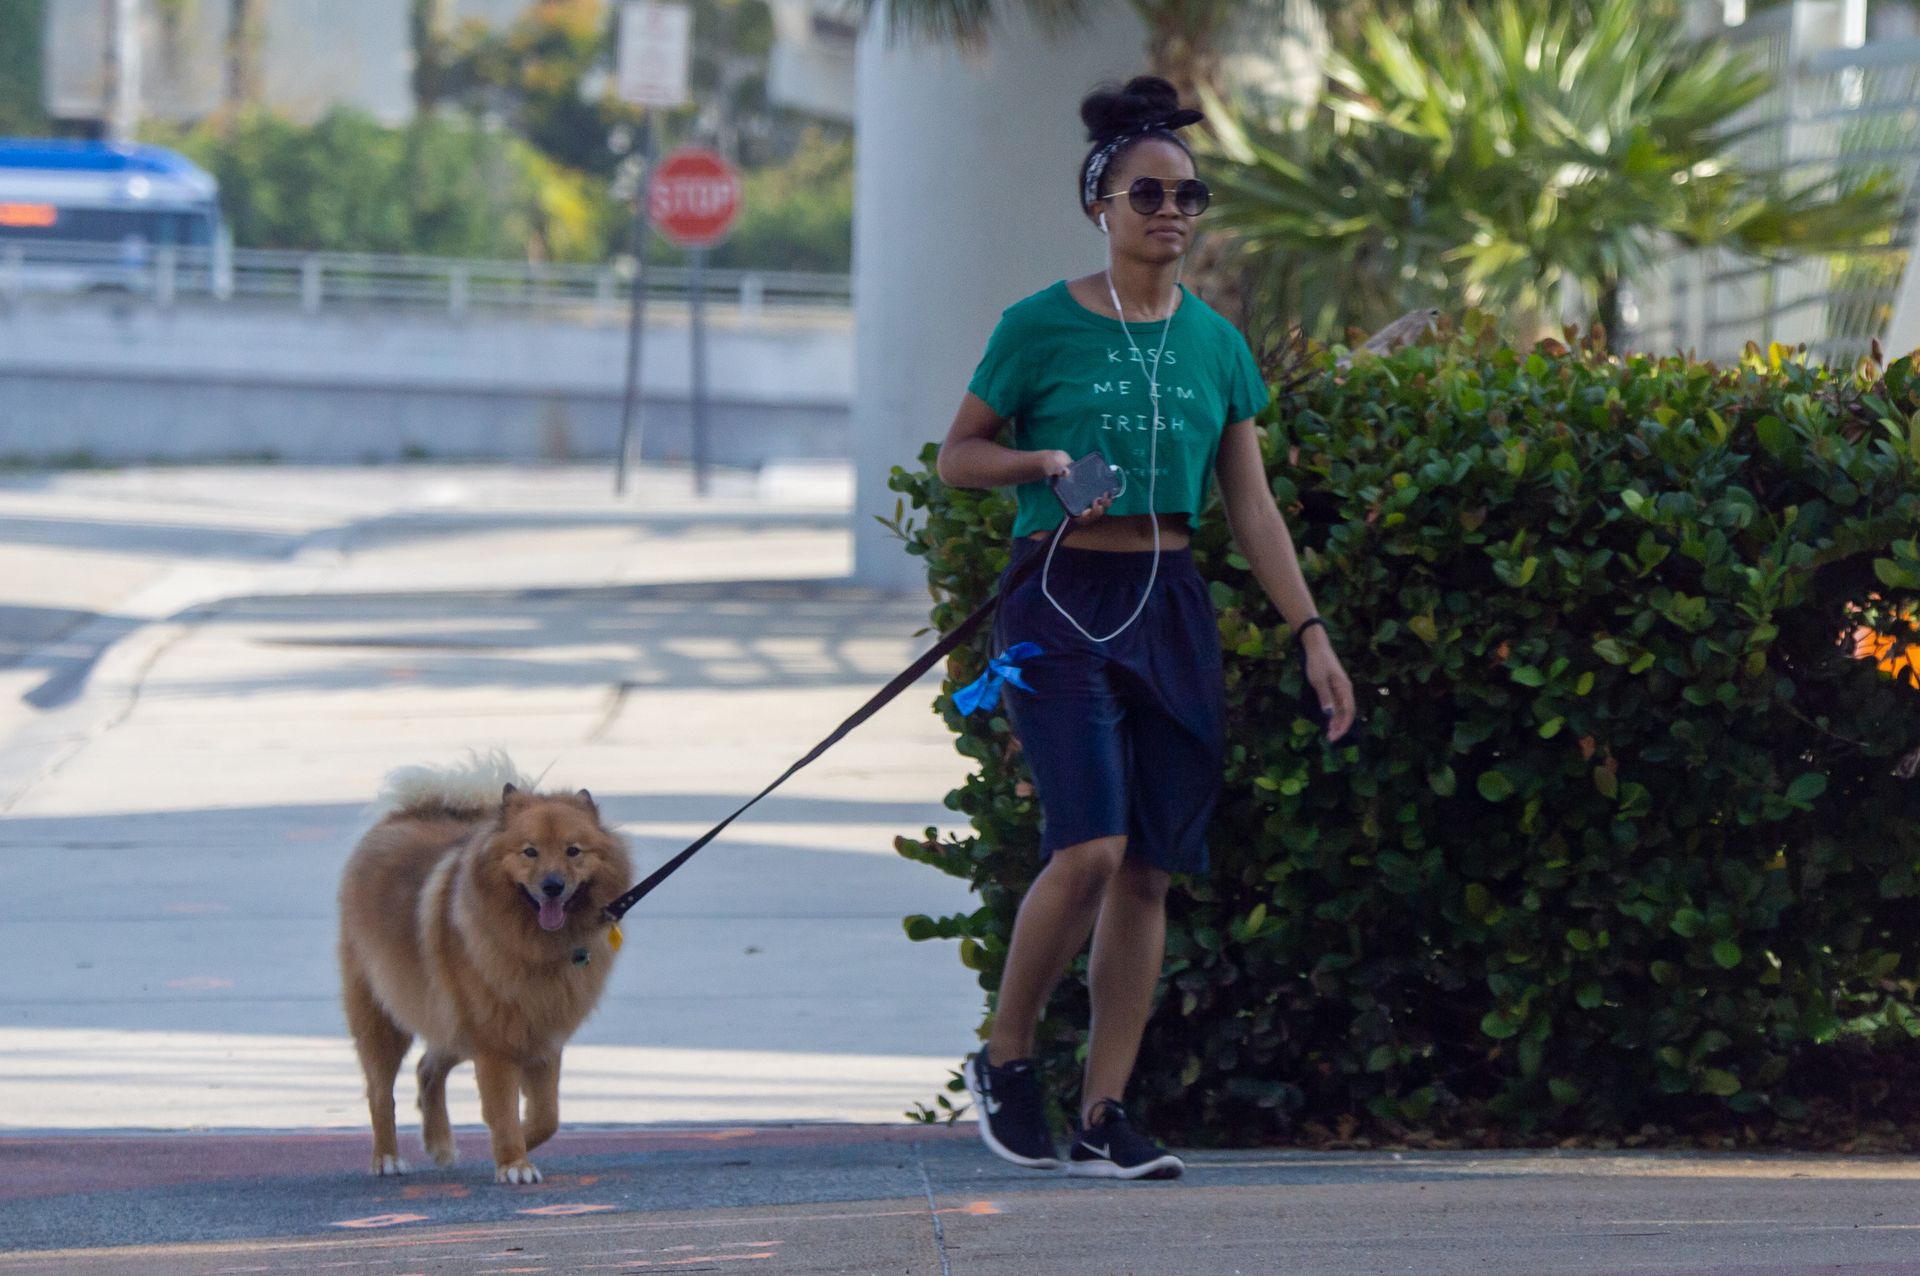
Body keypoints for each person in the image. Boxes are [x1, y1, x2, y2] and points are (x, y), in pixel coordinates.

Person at [936, 75, 1357, 1181]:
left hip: (1171, 603)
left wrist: (1309, 628)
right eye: (1148, 193)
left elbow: (1251, 505)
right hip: (1062, 597)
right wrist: (1037, 465)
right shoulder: (1039, 325)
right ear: (1101, 204)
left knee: (1149, 871)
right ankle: (1008, 1056)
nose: (1171, 211)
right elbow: (958, 454)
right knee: (1090, 846)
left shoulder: (1219, 345)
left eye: (1187, 194)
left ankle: (1104, 1111)